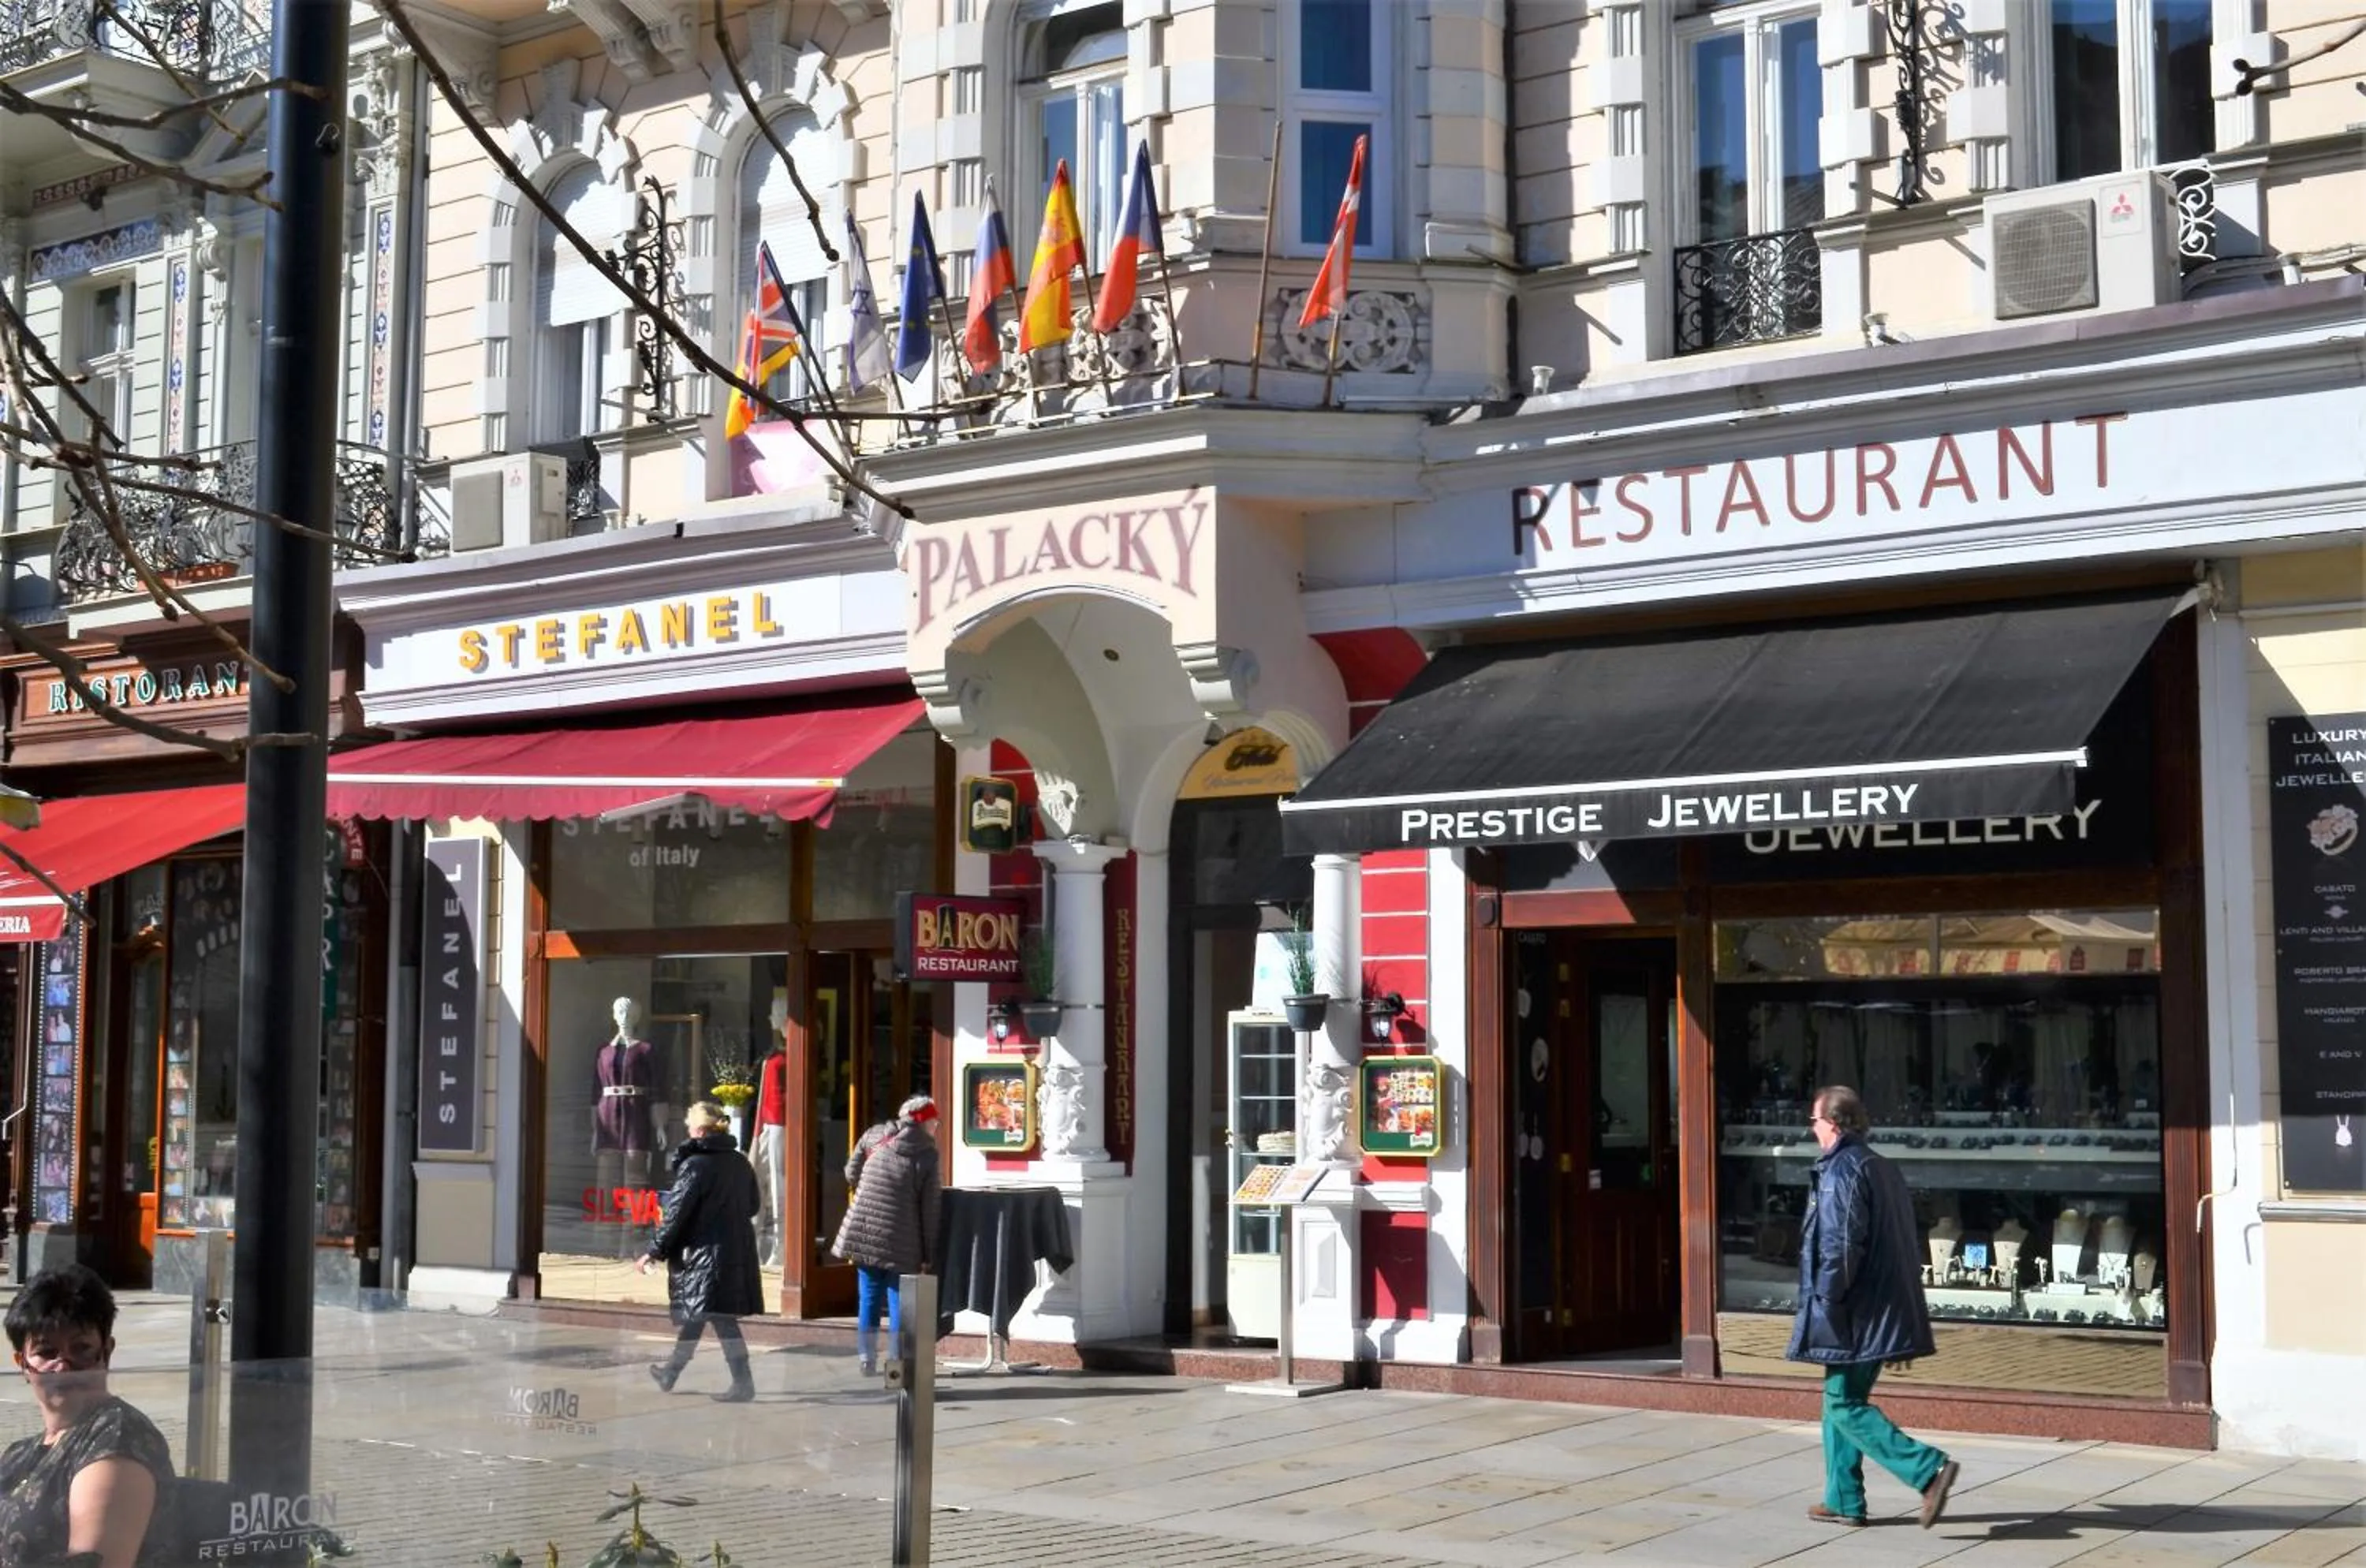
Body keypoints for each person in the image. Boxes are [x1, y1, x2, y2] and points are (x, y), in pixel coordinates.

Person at [1789, 1085, 1960, 1529]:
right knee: (1840, 1401)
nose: (1812, 1129)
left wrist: (1827, 1298)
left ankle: (1927, 1470)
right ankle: (1843, 1498)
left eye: (1814, 1121)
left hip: (1854, 1309)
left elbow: (1842, 1244)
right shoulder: (1878, 1166)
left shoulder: (1844, 1169)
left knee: (1843, 1403)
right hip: (1876, 1308)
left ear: (1834, 1122)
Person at [0, 1265, 174, 1566]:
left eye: (81, 1349)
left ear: (107, 1351)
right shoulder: (21, 1454)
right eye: (46, 1351)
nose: (63, 1366)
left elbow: (96, 1561)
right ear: (22, 1363)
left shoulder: (118, 1438)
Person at [638, 1100, 763, 1402]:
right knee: (703, 1313)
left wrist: (653, 1251)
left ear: (699, 1129)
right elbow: (753, 1206)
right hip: (734, 1250)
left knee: (717, 1317)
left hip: (705, 1254)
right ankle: (671, 1373)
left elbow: (676, 1214)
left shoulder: (695, 1166)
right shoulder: (739, 1162)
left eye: (689, 1125)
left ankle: (742, 1383)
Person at [831, 1094, 945, 1376]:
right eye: (935, 1122)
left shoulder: (873, 1135)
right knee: (898, 1302)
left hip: (864, 1230)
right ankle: (897, 1365)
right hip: (902, 1239)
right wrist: (930, 1255)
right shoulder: (927, 1153)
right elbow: (930, 1208)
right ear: (926, 1122)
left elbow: (850, 1172)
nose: (937, 1127)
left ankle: (866, 1359)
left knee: (868, 1297)